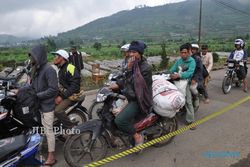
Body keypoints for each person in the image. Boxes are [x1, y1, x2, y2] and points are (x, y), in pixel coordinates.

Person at [109, 41, 152, 145]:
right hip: (130, 96)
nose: (131, 54)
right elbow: (123, 78)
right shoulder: (132, 64)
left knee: (119, 120)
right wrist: (117, 85)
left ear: (140, 53)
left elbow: (136, 84)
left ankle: (137, 136)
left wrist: (128, 69)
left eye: (134, 52)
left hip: (139, 99)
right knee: (111, 110)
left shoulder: (145, 67)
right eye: (130, 51)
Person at [29, 44, 58, 166]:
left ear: (40, 56)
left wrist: (38, 95)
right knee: (41, 128)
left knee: (48, 130)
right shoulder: (37, 69)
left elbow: (53, 89)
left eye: (34, 57)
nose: (32, 60)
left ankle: (51, 157)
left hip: (47, 105)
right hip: (39, 105)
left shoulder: (49, 70)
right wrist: (21, 90)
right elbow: (32, 86)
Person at [52, 49, 81, 129]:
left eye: (56, 56)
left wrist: (61, 97)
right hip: (64, 94)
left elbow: (75, 86)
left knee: (57, 110)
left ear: (62, 58)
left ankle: (71, 128)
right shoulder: (60, 69)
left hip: (71, 95)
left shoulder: (70, 67)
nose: (54, 58)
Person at [170, 43, 196, 130]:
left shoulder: (192, 61)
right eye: (182, 52)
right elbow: (173, 69)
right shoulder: (179, 61)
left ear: (189, 52)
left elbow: (190, 73)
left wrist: (179, 75)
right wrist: (169, 73)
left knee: (188, 101)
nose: (183, 54)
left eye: (185, 52)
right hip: (178, 82)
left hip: (187, 82)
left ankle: (191, 121)